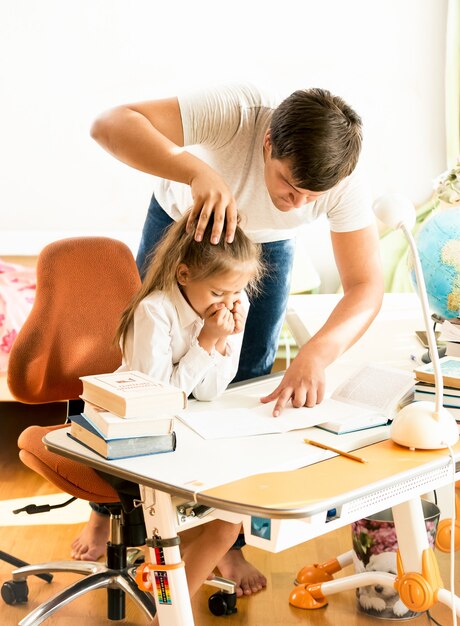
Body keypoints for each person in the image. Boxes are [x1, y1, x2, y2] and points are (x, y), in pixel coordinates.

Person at [90, 83, 384, 418]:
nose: (297, 205)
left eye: (312, 196)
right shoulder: (237, 112)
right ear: (268, 141)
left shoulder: (345, 179)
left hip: (268, 242)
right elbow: (109, 124)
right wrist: (196, 173)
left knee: (247, 369)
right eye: (289, 184)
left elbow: (366, 285)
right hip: (185, 224)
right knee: (150, 344)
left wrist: (317, 353)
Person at [72, 212, 268, 598]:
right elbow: (157, 400)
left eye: (236, 293)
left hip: (181, 432)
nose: (227, 303)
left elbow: (210, 391)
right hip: (130, 436)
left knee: (230, 518)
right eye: (217, 294)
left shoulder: (228, 305)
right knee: (203, 523)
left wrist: (221, 342)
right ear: (183, 275)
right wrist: (207, 342)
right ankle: (166, 604)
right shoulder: (155, 312)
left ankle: (168, 603)